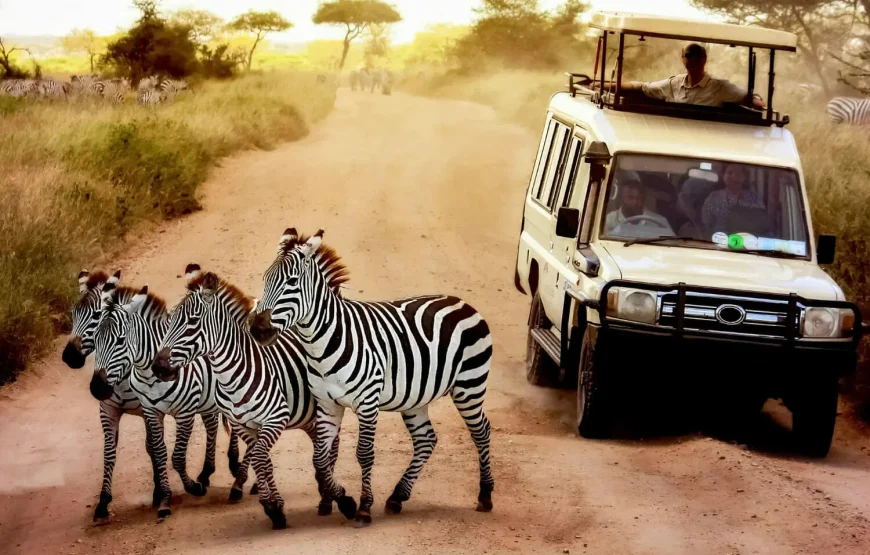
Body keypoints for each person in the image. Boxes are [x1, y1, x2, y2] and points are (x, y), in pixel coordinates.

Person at [603, 43, 765, 110]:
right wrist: (604, 85)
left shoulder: (719, 87)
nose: (693, 60)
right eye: (689, 56)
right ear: (683, 59)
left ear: (704, 59)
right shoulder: (674, 84)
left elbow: (748, 98)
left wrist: (759, 102)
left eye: (697, 56)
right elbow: (641, 86)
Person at [701, 164, 765, 233]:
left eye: (738, 173)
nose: (734, 176)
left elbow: (760, 224)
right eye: (730, 172)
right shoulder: (713, 197)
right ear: (723, 176)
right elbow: (706, 223)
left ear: (744, 177)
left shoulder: (754, 198)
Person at [605, 179, 669, 233]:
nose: (635, 202)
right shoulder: (610, 220)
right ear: (621, 199)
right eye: (630, 197)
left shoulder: (659, 222)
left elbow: (669, 244)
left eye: (639, 198)